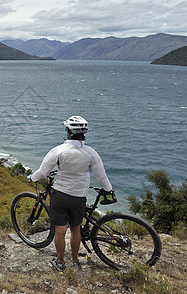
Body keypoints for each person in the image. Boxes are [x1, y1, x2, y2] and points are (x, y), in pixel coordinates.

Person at [28, 115, 113, 271]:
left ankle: (60, 263)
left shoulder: (58, 150)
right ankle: (74, 261)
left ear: (68, 132)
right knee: (76, 228)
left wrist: (32, 178)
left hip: (60, 194)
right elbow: (101, 177)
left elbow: (42, 172)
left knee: (60, 231)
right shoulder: (91, 153)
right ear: (83, 134)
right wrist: (109, 189)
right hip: (79, 196)